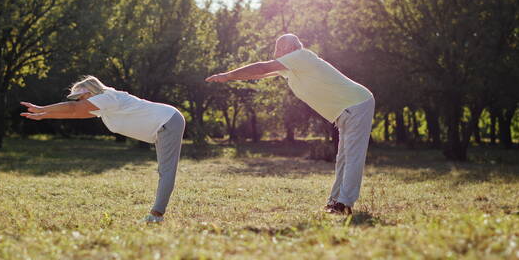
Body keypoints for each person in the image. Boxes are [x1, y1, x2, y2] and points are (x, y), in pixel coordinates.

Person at [206, 34, 374, 215]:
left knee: (352, 157)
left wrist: (227, 75)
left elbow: (263, 67)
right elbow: (258, 73)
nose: (275, 52)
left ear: (290, 48)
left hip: (357, 104)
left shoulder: (301, 56)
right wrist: (230, 78)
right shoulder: (290, 68)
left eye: (279, 47)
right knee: (343, 158)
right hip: (347, 110)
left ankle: (345, 204)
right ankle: (335, 202)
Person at [20, 75, 185, 223]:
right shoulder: (104, 107)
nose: (80, 101)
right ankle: (157, 215)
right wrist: (43, 115)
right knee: (165, 171)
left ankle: (156, 215)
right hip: (163, 123)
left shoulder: (108, 98)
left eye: (81, 97)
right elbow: (75, 113)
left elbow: (73, 108)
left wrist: (42, 108)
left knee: (166, 171)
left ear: (91, 92)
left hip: (168, 120)